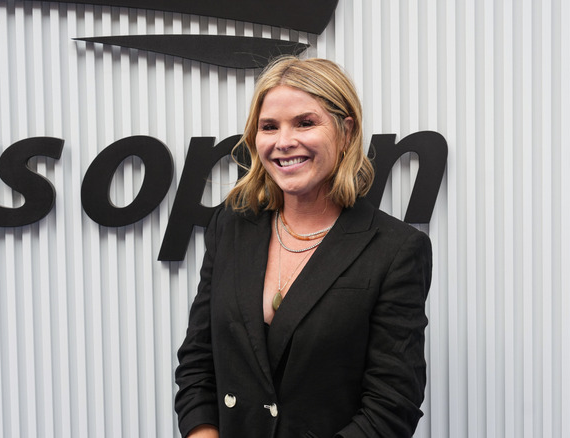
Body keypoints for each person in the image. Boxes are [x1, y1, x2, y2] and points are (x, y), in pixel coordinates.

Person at [174, 56, 433, 438]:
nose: (283, 142)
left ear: (345, 132)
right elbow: (198, 362)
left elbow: (391, 407)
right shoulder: (230, 226)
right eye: (269, 127)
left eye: (305, 123)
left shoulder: (395, 249)